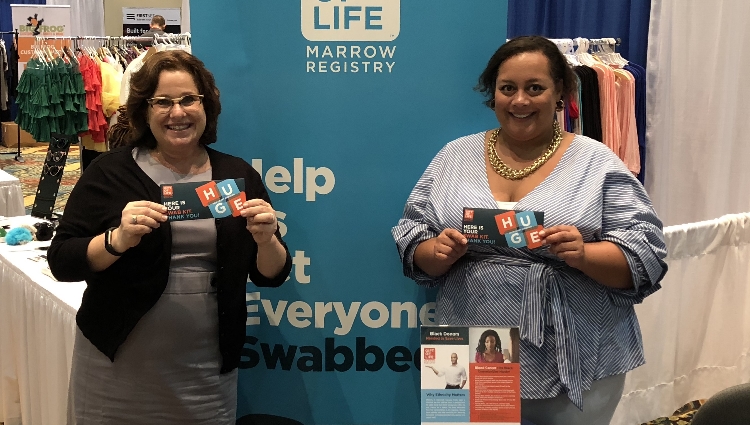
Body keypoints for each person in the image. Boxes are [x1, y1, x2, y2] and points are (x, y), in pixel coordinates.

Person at [392, 36, 668, 425]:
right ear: (494, 94)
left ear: (561, 94)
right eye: (508, 88)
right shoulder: (454, 156)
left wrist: (585, 254)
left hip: (575, 344)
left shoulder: (596, 161)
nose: (519, 101)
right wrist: (435, 252)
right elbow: (412, 233)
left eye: (534, 88)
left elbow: (647, 254)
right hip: (470, 340)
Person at [48, 50, 292, 424]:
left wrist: (266, 239)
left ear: (206, 105)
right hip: (115, 370)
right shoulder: (109, 174)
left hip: (206, 373)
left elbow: (271, 274)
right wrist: (116, 240)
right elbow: (63, 261)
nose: (177, 113)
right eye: (162, 102)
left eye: (188, 99)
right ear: (145, 110)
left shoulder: (235, 174)